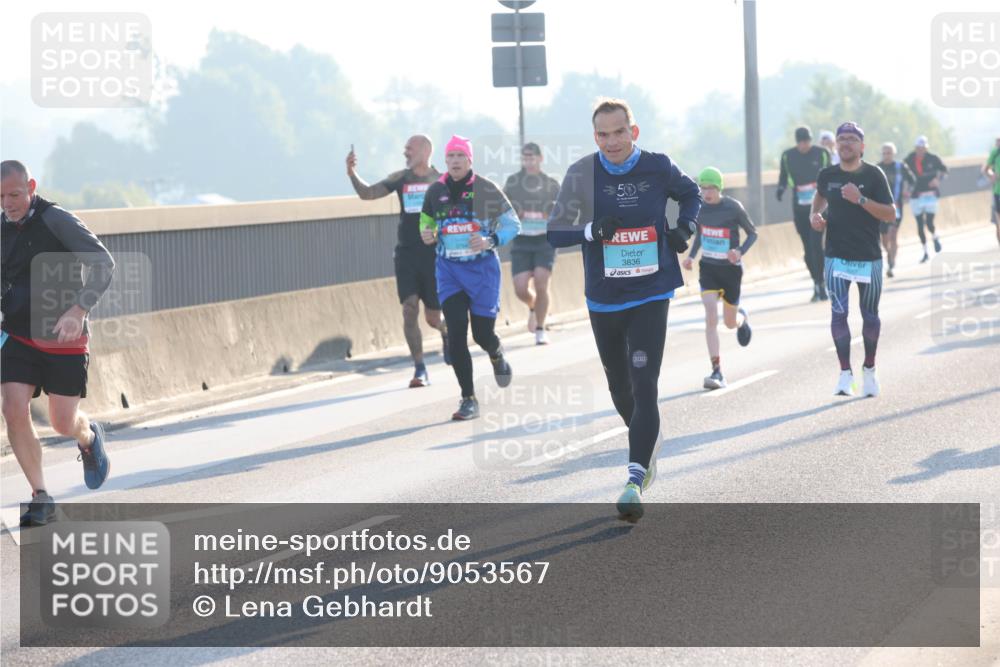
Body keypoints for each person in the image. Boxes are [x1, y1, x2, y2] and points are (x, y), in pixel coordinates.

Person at [547, 98, 702, 522]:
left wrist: (685, 226)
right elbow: (554, 232)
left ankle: (634, 479)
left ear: (634, 132)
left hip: (651, 292)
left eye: (619, 132)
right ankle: (647, 438)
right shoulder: (581, 173)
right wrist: (591, 230)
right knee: (620, 387)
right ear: (594, 136)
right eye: (603, 134)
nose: (612, 141)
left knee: (643, 379)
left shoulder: (657, 166)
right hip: (604, 297)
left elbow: (691, 195)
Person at [1, 160, 115, 527]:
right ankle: (41, 497)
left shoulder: (57, 220)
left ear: (31, 186)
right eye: (1, 197)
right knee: (13, 408)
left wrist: (78, 310)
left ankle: (87, 436)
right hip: (18, 334)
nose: (8, 203)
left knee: (62, 421)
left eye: (15, 194)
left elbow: (103, 263)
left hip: (65, 336)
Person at [419, 135, 520, 420]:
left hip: (482, 271)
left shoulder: (486, 189)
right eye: (450, 156)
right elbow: (426, 223)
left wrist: (491, 239)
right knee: (456, 333)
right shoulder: (435, 190)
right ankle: (468, 398)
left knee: (481, 334)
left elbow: (513, 223)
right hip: (449, 271)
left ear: (469, 160)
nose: (454, 161)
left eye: (460, 156)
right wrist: (427, 234)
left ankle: (496, 351)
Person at [347, 135, 448, 388]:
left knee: (433, 319)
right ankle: (419, 367)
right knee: (409, 308)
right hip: (406, 254)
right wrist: (351, 173)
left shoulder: (441, 180)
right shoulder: (400, 179)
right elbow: (368, 194)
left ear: (425, 151)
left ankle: (447, 333)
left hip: (433, 255)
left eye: (409, 149)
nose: (405, 152)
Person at [809, 123, 896, 398]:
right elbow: (820, 196)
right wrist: (816, 216)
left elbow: (890, 214)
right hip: (836, 256)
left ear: (862, 146)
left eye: (851, 139)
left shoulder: (874, 175)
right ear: (835, 144)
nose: (845, 143)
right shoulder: (827, 174)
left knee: (870, 316)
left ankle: (869, 369)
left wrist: (860, 199)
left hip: (868, 258)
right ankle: (845, 373)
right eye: (841, 139)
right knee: (838, 313)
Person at [682, 167, 756, 390]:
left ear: (719, 188)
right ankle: (717, 370)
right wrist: (691, 257)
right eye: (703, 188)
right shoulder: (700, 209)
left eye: (711, 188)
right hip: (709, 270)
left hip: (731, 271)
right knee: (710, 316)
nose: (707, 192)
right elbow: (700, 236)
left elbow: (753, 233)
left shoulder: (733, 208)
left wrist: (739, 251)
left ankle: (742, 319)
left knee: (729, 323)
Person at [503, 142, 562, 345]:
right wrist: (514, 213)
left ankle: (540, 328)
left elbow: (564, 211)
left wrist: (551, 213)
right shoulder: (513, 182)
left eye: (532, 157)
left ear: (540, 158)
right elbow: (501, 208)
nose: (528, 161)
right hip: (522, 240)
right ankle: (533, 307)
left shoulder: (551, 184)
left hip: (544, 241)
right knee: (520, 289)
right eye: (525, 157)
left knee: (541, 282)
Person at [777, 126, 832, 301]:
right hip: (800, 206)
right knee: (807, 249)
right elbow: (783, 176)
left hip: (819, 206)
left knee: (817, 245)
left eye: (807, 141)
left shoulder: (821, 153)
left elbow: (831, 174)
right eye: (801, 142)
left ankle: (822, 284)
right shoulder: (788, 156)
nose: (804, 145)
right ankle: (816, 281)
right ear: (796, 142)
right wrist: (780, 188)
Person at [904, 136, 948, 262]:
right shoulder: (909, 159)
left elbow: (945, 170)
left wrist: (938, 179)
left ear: (926, 148)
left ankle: (935, 237)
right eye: (918, 148)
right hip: (916, 195)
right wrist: (905, 188)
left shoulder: (933, 158)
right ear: (915, 148)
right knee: (919, 224)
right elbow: (901, 173)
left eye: (923, 148)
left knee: (929, 222)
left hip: (930, 195)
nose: (920, 150)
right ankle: (925, 252)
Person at [876, 142, 916, 277]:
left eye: (889, 153)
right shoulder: (877, 168)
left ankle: (891, 263)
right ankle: (888, 254)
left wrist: (907, 191)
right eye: (884, 153)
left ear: (894, 154)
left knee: (893, 234)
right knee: (884, 239)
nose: (887, 155)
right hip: (881, 207)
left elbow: (912, 180)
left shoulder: (901, 167)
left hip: (896, 206)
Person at [982, 136, 1000, 247]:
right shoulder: (995, 153)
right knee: (998, 224)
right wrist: (991, 175)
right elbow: (985, 169)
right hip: (998, 192)